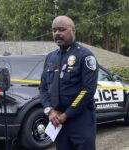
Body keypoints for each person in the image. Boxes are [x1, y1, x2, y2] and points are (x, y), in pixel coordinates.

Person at [39, 16, 99, 150]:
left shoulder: (85, 56)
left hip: (80, 120)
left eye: (61, 29)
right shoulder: (50, 57)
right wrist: (50, 111)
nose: (57, 33)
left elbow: (87, 90)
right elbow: (43, 88)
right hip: (57, 121)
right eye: (54, 30)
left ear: (73, 30)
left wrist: (67, 114)